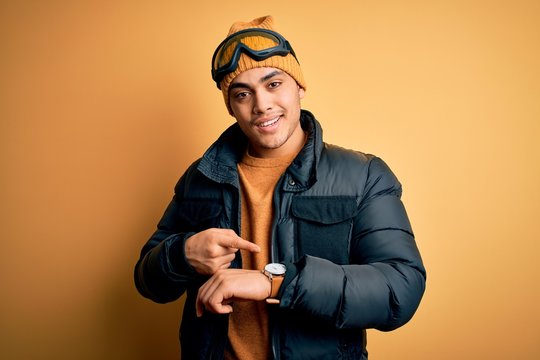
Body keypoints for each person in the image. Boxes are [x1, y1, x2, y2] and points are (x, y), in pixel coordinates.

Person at [134, 15, 426, 360]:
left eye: (273, 84)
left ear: (299, 86)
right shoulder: (200, 178)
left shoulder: (364, 175)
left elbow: (400, 289)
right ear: (231, 106)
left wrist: (275, 282)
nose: (262, 106)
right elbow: (147, 280)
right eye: (243, 93)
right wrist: (182, 254)